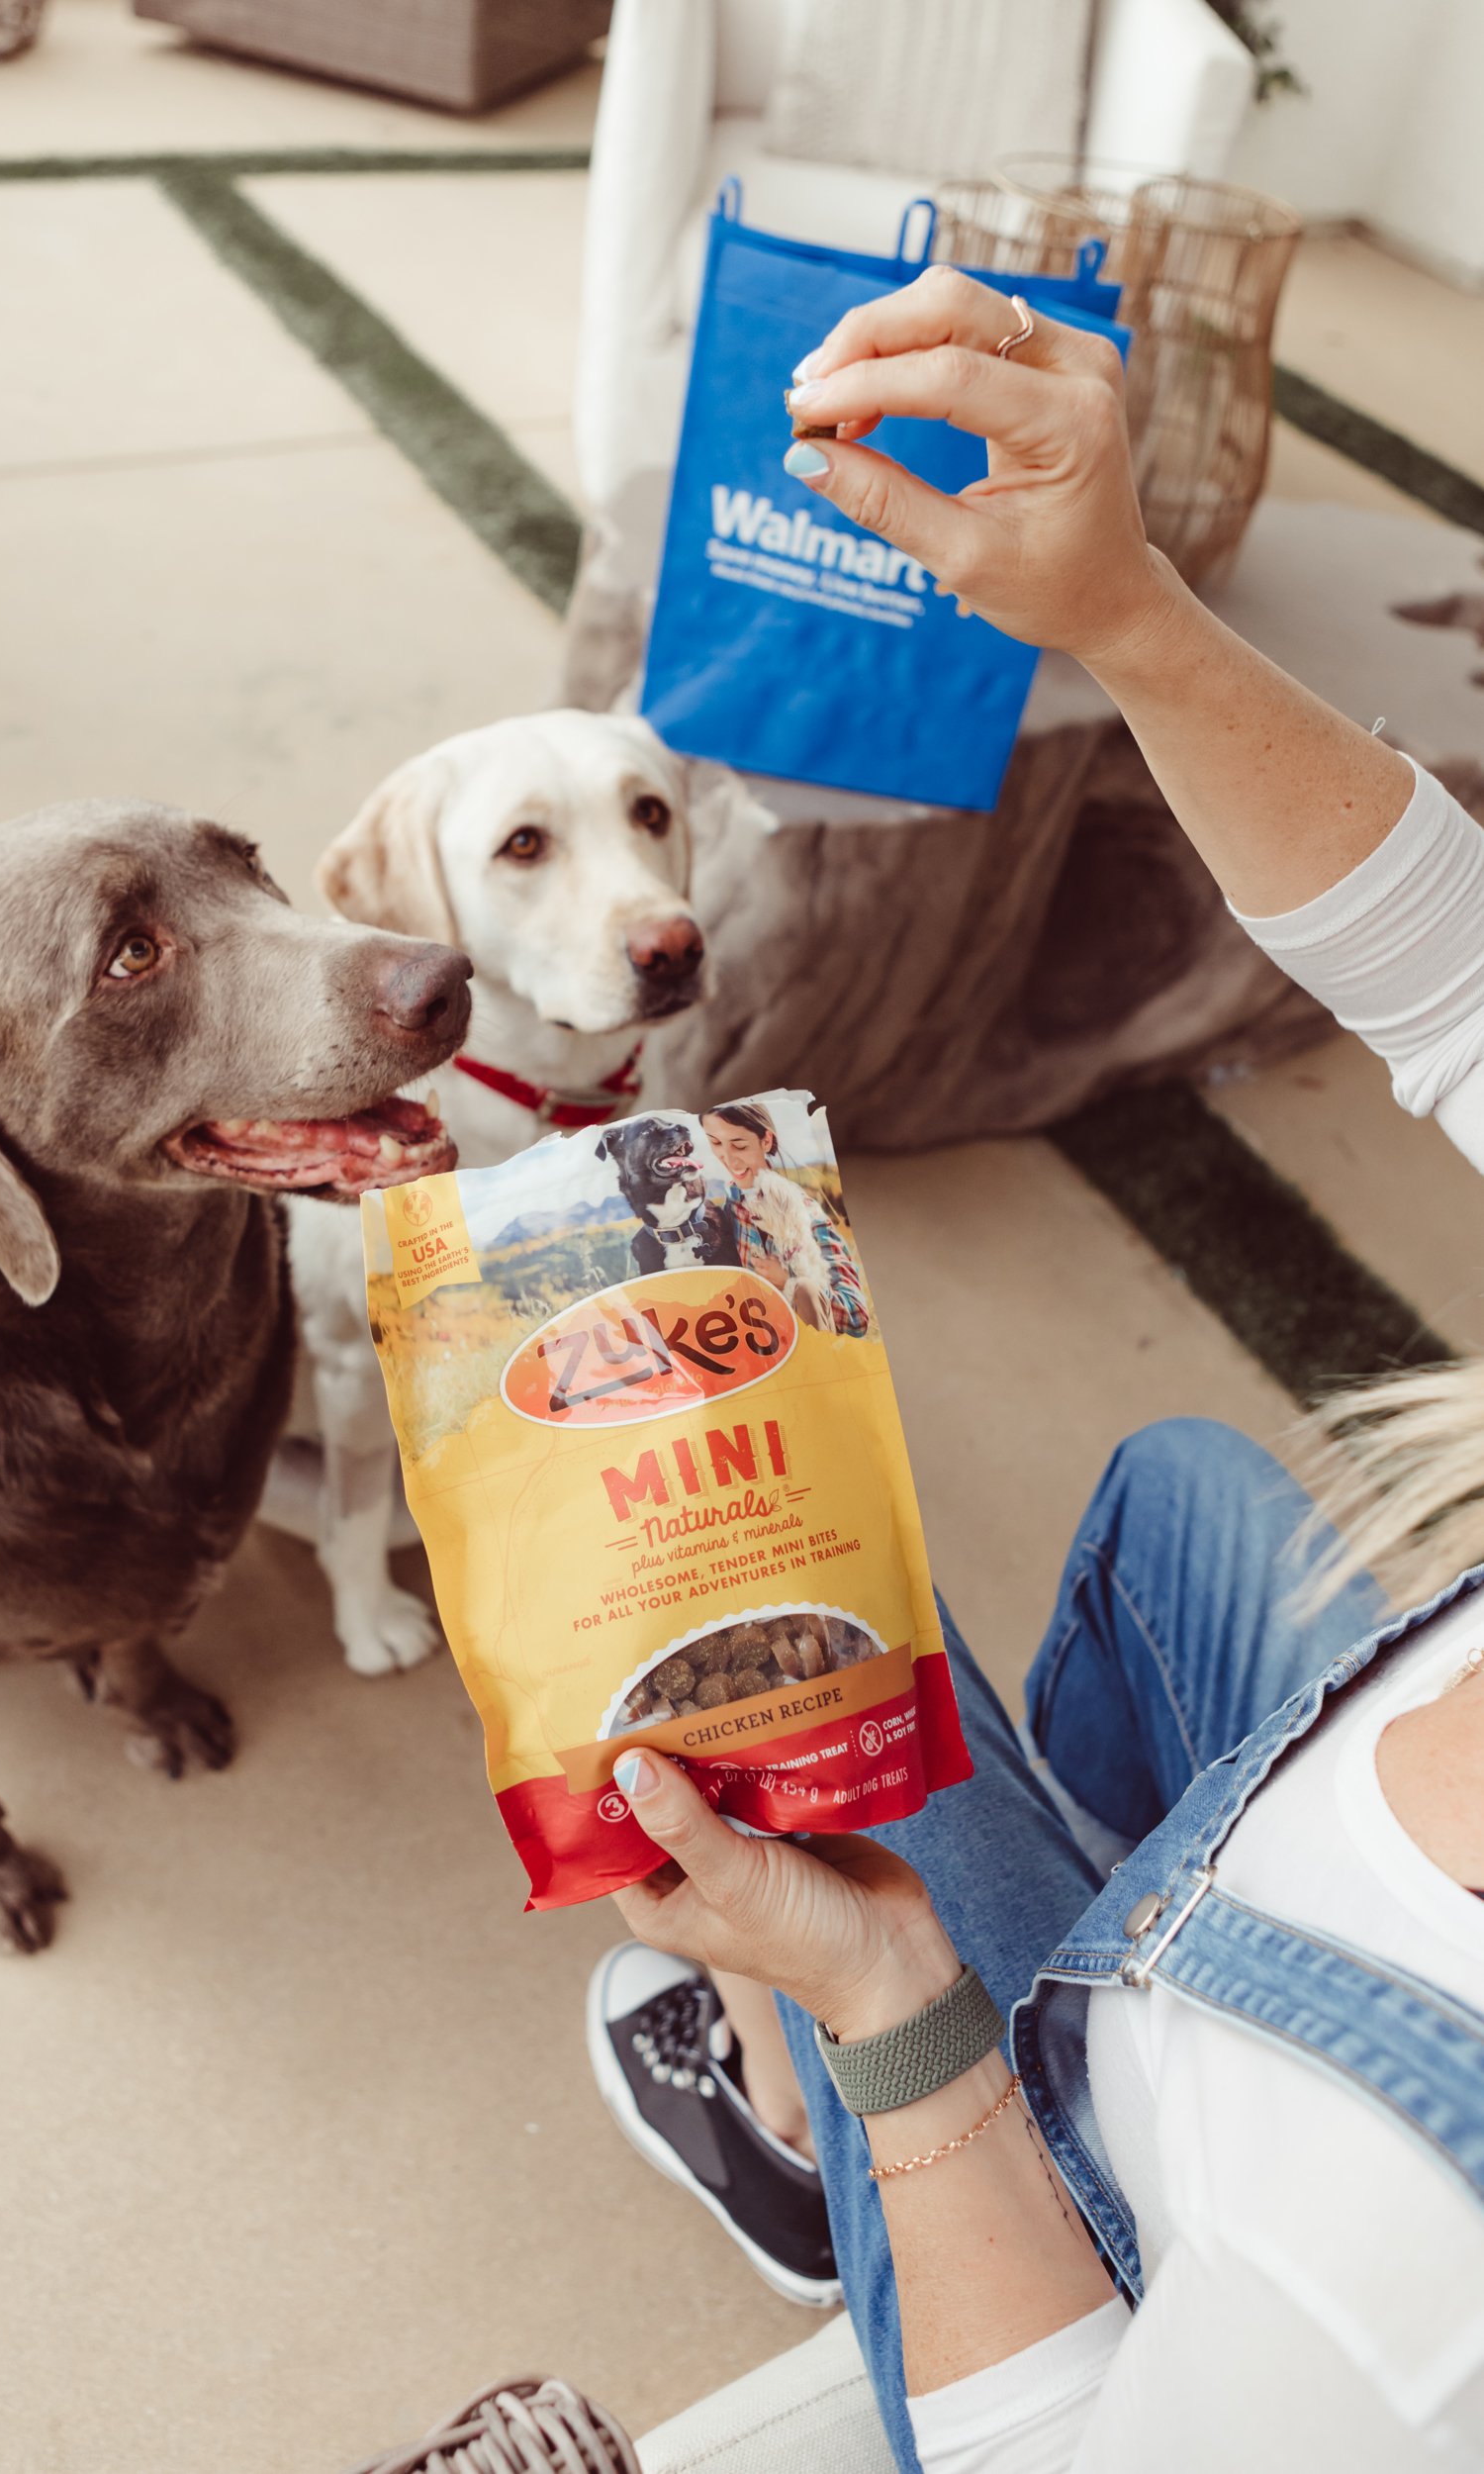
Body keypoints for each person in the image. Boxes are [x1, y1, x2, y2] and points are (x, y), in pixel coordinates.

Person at [585, 268, 1484, 2471]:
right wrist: (1124, 609)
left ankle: (810, 2118)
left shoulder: (1390, 2284)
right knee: (1181, 1492)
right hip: (1283, 2002)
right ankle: (1071, 1925)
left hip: (1146, 2280)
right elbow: (1451, 967)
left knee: (814, 1673)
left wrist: (888, 2004)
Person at [700, 1098, 870, 1335]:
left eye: (739, 1145)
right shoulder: (721, 1215)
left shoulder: (805, 1211)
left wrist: (789, 1281)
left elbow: (857, 1318)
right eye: (716, 1143)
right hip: (752, 1348)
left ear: (766, 1141)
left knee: (805, 1288)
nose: (728, 1159)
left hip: (809, 1353)